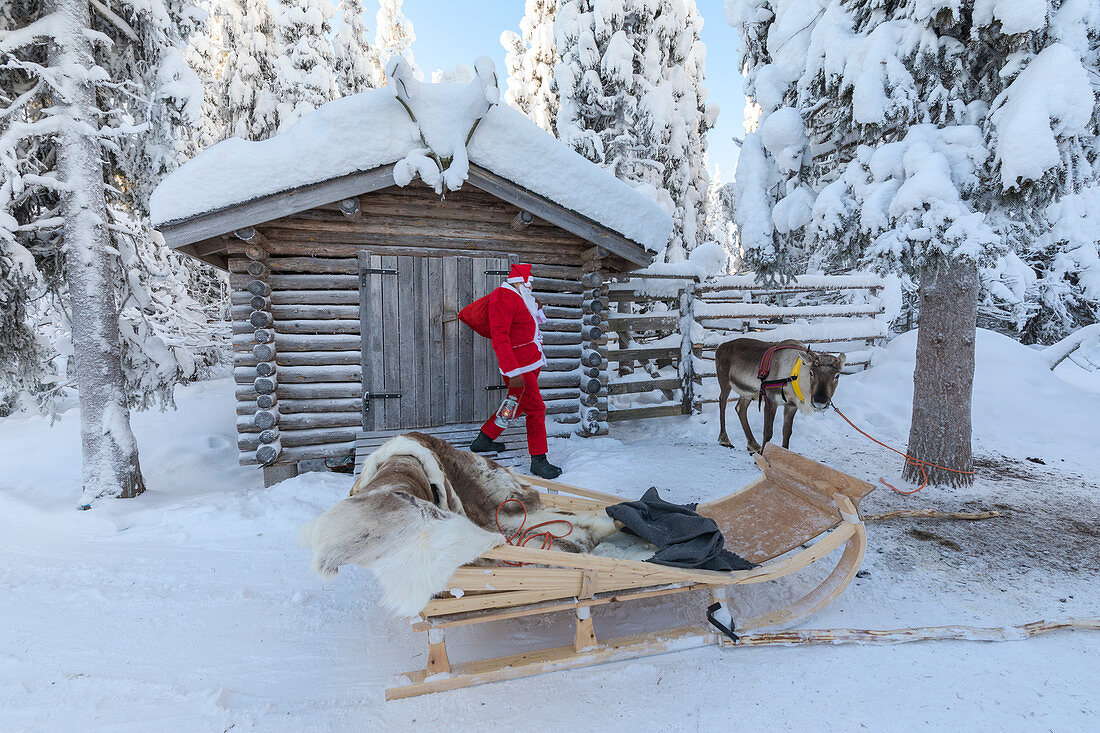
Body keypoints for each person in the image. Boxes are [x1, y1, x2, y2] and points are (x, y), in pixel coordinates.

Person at [468, 263, 562, 479]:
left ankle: (484, 439)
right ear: (520, 281)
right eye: (530, 282)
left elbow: (528, 324)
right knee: (536, 410)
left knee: (516, 406)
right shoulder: (504, 297)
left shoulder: (519, 296)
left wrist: (537, 306)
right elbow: (500, 338)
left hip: (528, 363)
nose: (532, 286)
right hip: (519, 368)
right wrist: (512, 372)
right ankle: (539, 460)